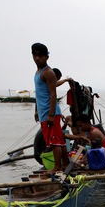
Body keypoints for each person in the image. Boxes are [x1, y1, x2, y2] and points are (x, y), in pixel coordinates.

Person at [31, 42, 66, 172]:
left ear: (47, 57)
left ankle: (57, 167)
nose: (37, 58)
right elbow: (39, 94)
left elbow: (53, 94)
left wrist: (51, 114)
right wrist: (36, 111)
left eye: (40, 56)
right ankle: (65, 163)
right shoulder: (37, 72)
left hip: (49, 112)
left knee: (54, 141)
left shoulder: (48, 72)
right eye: (35, 55)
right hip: (43, 112)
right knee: (58, 140)